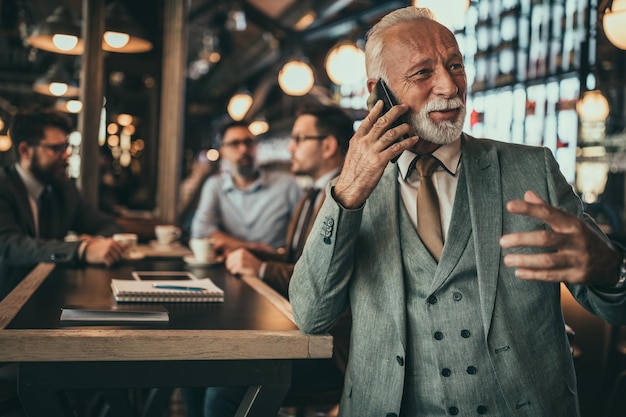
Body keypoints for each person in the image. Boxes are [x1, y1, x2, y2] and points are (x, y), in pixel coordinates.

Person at [289, 7, 626, 417]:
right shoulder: (353, 189)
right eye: (422, 73)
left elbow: (614, 305)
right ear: (379, 90)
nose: (449, 86)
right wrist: (348, 193)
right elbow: (311, 316)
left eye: (455, 66)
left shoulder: (531, 168)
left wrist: (611, 269)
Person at [201, 105, 354, 417]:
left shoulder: (343, 198)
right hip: (299, 327)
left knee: (221, 388)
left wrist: (259, 268)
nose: (290, 147)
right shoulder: (311, 193)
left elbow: (316, 281)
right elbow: (297, 259)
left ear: (328, 145)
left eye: (299, 139)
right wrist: (259, 256)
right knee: (200, 368)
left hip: (332, 349)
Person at [0, 109, 126, 298]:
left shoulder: (63, 190)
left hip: (49, 298)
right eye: (56, 148)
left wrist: (95, 243)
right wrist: (80, 250)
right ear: (25, 150)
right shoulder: (3, 187)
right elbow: (10, 246)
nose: (66, 155)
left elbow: (108, 225)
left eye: (66, 147)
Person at [190, 121, 301, 256]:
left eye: (249, 143)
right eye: (235, 144)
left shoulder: (287, 184)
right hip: (231, 266)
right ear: (223, 152)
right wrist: (251, 248)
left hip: (275, 266)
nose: (243, 149)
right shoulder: (215, 185)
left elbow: (304, 233)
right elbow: (201, 230)